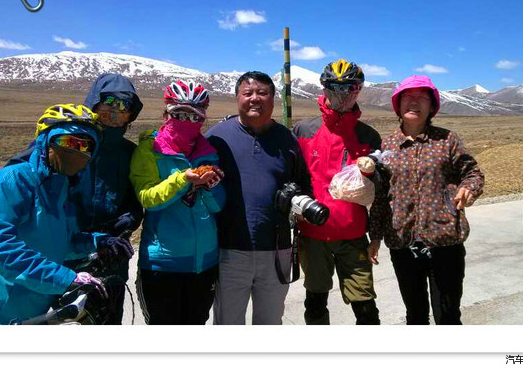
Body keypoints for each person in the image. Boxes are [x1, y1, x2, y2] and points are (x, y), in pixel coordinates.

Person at [3, 73, 145, 324]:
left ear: (130, 116)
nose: (114, 116)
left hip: (107, 251)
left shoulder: (128, 152)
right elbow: (26, 180)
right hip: (60, 252)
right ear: (94, 106)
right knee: (59, 319)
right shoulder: (65, 144)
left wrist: (127, 222)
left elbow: (136, 199)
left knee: (107, 317)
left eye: (123, 111)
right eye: (108, 109)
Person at [368, 75, 485, 325]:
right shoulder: (387, 145)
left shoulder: (447, 140)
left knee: (448, 315)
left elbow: (472, 173)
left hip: (445, 242)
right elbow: (380, 195)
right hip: (402, 243)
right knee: (415, 315)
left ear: (432, 107)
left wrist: (468, 188)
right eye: (408, 97)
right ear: (398, 105)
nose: (414, 102)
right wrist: (375, 236)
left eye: (422, 98)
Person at [205, 71, 312, 325]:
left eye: (262, 93)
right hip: (229, 249)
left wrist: (297, 202)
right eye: (248, 93)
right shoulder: (217, 137)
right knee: (228, 323)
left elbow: (303, 183)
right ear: (237, 98)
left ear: (273, 99)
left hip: (277, 248)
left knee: (270, 321)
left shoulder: (287, 139)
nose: (255, 98)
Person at [292, 59, 384, 325]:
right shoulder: (303, 130)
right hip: (313, 234)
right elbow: (291, 178)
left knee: (365, 307)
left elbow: (380, 190)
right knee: (315, 302)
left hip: (353, 235)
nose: (342, 95)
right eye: (334, 87)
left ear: (359, 90)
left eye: (350, 88)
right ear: (324, 88)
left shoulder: (368, 136)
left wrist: (376, 235)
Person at [129, 79, 225, 325]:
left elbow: (218, 206)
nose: (187, 122)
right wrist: (183, 179)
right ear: (166, 114)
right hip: (163, 263)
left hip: (204, 262)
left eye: (195, 116)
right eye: (180, 114)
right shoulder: (149, 150)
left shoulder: (208, 152)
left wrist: (209, 188)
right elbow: (148, 198)